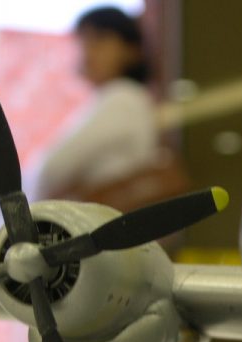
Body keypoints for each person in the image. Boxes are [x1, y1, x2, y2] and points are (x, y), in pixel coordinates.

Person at [37, 6, 185, 211]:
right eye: (83, 40)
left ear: (131, 49)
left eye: (99, 39)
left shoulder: (122, 97)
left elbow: (51, 170)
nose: (88, 50)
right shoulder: (129, 98)